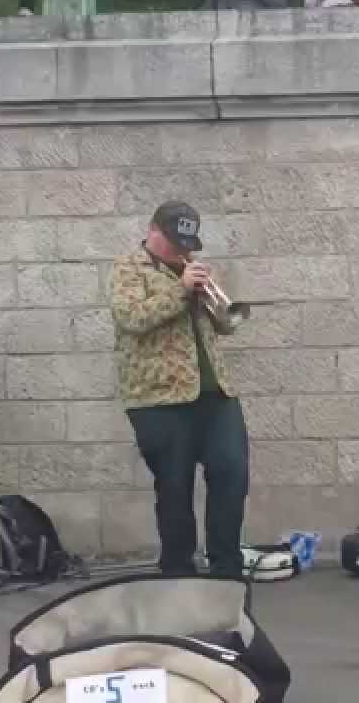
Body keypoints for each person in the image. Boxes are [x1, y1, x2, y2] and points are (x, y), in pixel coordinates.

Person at [110, 201, 250, 578]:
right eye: (175, 242)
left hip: (214, 393)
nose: (183, 251)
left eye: (188, 243)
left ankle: (226, 569)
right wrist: (180, 291)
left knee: (232, 474)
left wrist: (216, 302)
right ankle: (177, 573)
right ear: (153, 230)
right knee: (175, 489)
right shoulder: (128, 268)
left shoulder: (193, 269)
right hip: (158, 398)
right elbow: (132, 318)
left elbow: (224, 326)